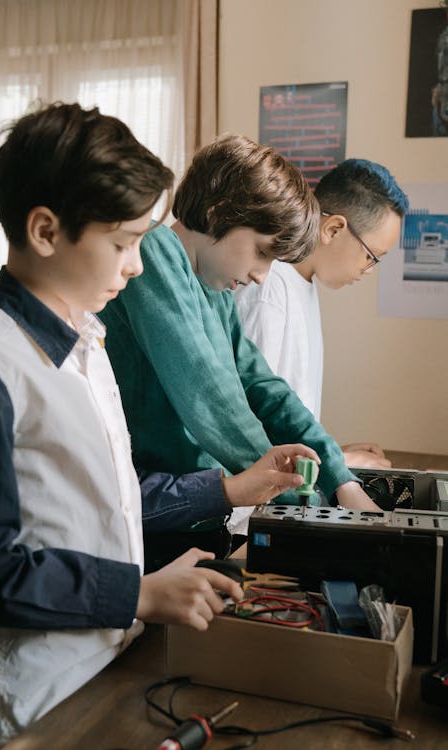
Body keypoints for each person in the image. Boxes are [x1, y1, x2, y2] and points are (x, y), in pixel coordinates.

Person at [0, 103, 318, 750]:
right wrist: (139, 594)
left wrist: (227, 490)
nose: (138, 266)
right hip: (31, 696)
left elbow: (109, 494)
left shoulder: (84, 343)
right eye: (123, 243)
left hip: (100, 658)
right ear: (44, 231)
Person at [99, 134, 382, 563]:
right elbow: (209, 392)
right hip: (153, 518)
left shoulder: (214, 290)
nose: (262, 275)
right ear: (217, 214)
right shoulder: (155, 255)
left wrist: (342, 481)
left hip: (198, 515)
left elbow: (263, 385)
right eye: (263, 253)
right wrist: (302, 498)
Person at [235, 158, 409, 469]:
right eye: (372, 257)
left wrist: (330, 449)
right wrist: (338, 460)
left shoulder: (302, 282)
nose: (368, 271)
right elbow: (248, 429)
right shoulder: (269, 287)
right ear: (333, 229)